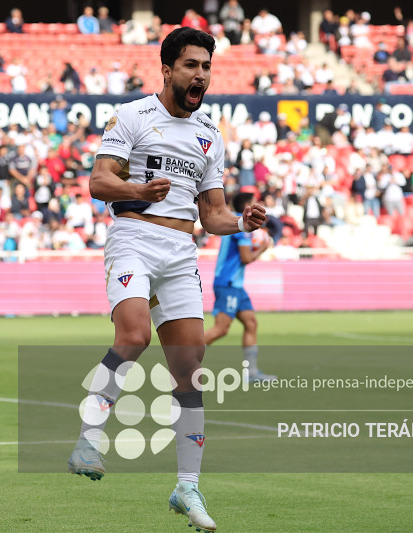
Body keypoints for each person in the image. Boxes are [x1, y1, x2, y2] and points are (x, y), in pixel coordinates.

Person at [67, 27, 265, 533]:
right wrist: (138, 188)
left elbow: (213, 214)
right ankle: (90, 434)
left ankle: (187, 487)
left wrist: (243, 221)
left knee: (189, 365)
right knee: (132, 335)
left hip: (181, 249)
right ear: (168, 69)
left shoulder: (210, 135)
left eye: (206, 67)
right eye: (191, 65)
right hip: (133, 235)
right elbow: (98, 181)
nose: (200, 75)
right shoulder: (132, 116)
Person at [205, 192, 275, 382]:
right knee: (221, 329)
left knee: (251, 323)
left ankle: (251, 373)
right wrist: (262, 248)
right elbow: (246, 258)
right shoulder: (241, 227)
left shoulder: (234, 223)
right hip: (228, 283)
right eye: (254, 202)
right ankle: (183, 360)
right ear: (247, 205)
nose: (257, 204)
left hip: (235, 284)